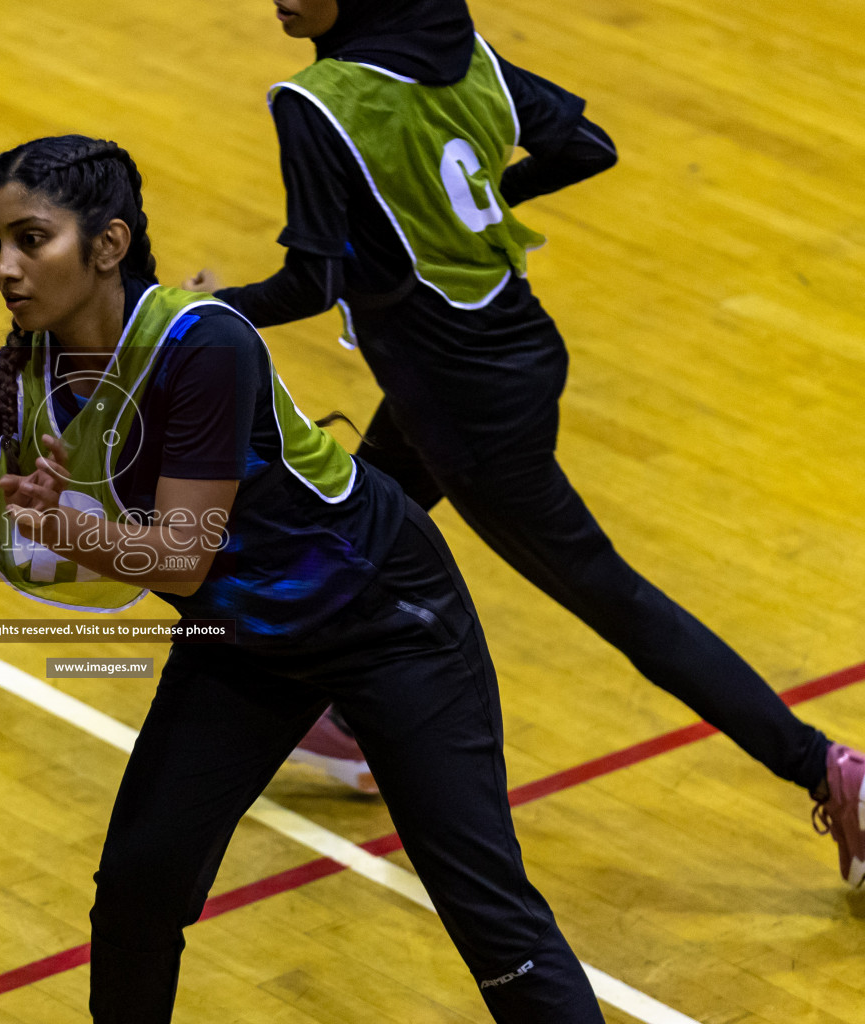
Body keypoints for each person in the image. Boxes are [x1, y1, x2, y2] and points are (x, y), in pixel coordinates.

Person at [0, 135, 609, 1021]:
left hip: (391, 619)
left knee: (483, 904)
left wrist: (66, 524)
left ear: (107, 244)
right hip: (247, 641)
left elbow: (180, 549)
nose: (4, 266)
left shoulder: (205, 345)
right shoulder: (25, 374)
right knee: (141, 881)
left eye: (30, 238)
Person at [183, 0, 865, 885]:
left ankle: (826, 768)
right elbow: (587, 145)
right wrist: (475, 205)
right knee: (344, 529)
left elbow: (314, 279)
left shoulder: (315, 103)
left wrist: (202, 310)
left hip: (460, 400)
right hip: (512, 353)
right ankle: (347, 722)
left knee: (608, 593)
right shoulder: (459, 52)